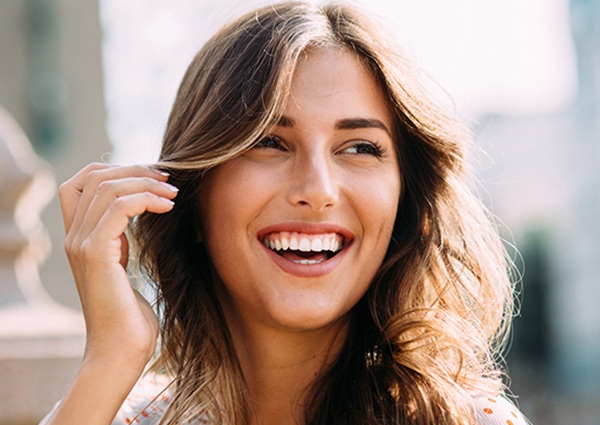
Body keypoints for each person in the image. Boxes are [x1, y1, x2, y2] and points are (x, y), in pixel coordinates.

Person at [41, 1, 530, 424]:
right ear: (191, 191)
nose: (317, 191)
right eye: (269, 142)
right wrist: (110, 359)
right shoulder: (123, 416)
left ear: (406, 201)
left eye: (360, 148)